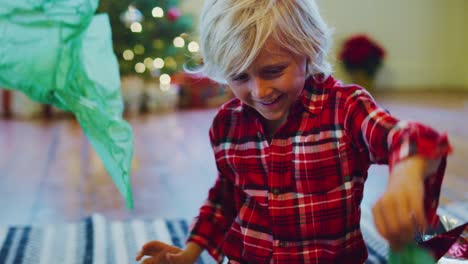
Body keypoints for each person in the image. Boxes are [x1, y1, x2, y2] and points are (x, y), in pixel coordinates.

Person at [136, 0, 451, 263]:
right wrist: (189, 254)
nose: (259, 90)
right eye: (240, 76)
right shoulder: (227, 124)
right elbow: (225, 199)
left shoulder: (346, 107)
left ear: (309, 49)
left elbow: (408, 137)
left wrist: (406, 175)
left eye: (273, 71)